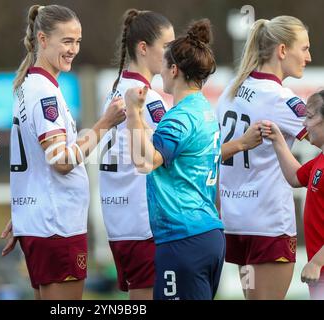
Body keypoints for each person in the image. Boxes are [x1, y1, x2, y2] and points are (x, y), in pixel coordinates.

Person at [0, 4, 125, 300]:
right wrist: (105, 124)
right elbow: (62, 161)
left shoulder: (29, 85)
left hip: (42, 222)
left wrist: (25, 210)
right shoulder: (43, 92)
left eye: (77, 41)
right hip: (57, 226)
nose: (74, 49)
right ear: (42, 40)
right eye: (67, 41)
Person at [125, 19, 225, 300]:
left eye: (164, 67)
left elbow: (145, 162)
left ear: (174, 69)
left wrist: (133, 113)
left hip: (183, 238)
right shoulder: (203, 108)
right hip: (206, 233)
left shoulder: (180, 117)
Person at [216, 16, 311, 299]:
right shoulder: (281, 98)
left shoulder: (232, 87)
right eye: (304, 48)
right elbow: (319, 133)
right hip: (269, 225)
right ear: (282, 51)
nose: (308, 56)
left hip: (236, 221)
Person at [99, 8, 174, 300]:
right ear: (143, 48)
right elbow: (173, 152)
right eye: (167, 47)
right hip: (144, 224)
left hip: (120, 224)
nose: (173, 55)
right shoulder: (147, 98)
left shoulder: (116, 90)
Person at [261, 90, 324, 300]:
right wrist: (278, 140)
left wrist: (317, 262)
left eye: (310, 116)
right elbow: (296, 177)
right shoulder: (320, 160)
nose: (304, 124)